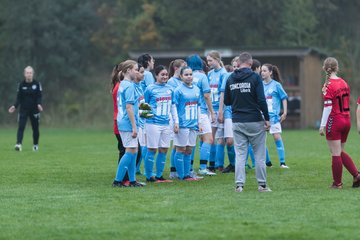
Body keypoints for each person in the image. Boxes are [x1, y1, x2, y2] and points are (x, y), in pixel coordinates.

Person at [224, 52, 271, 193]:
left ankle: (239, 185)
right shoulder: (255, 77)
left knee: (240, 155)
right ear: (250, 64)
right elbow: (262, 100)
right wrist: (267, 118)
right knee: (259, 155)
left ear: (238, 63)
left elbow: (227, 101)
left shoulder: (230, 78)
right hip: (254, 120)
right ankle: (262, 185)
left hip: (237, 121)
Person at [319, 57, 360, 189]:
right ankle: (356, 175)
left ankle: (337, 184)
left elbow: (328, 107)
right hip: (346, 120)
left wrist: (322, 125)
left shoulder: (328, 85)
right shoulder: (344, 83)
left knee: (335, 153)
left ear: (324, 69)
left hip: (335, 120)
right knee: (340, 151)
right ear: (337, 68)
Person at [112, 60, 144, 187]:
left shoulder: (123, 84)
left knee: (134, 151)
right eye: (136, 69)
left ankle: (132, 180)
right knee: (130, 151)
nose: (137, 72)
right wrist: (134, 127)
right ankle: (117, 180)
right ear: (128, 70)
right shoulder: (129, 86)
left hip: (123, 121)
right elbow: (129, 108)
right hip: (127, 123)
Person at [144, 65, 175, 183]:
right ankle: (149, 176)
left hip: (166, 124)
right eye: (162, 74)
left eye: (166, 74)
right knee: (152, 149)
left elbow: (172, 107)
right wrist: (145, 123)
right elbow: (144, 106)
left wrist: (174, 121)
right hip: (153, 124)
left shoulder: (170, 89)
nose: (165, 77)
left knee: (164, 149)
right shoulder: (150, 89)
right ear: (156, 75)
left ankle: (159, 176)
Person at [186, 54, 216, 176]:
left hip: (190, 113)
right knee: (208, 139)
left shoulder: (186, 76)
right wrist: (212, 112)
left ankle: (190, 168)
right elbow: (207, 95)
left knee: (192, 141)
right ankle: (203, 167)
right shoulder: (203, 76)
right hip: (202, 112)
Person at [173, 66, 202, 180]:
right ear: (181, 76)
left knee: (189, 149)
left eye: (190, 74)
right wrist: (176, 121)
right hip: (183, 124)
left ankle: (187, 174)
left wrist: (199, 122)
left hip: (193, 124)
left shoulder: (196, 89)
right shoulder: (178, 90)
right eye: (186, 74)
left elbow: (198, 106)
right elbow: (174, 106)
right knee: (180, 149)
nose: (189, 77)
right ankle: (181, 175)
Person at [8, 66, 43, 152]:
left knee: (35, 128)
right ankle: (18, 144)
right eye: (27, 73)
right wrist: (14, 106)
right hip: (23, 110)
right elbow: (19, 98)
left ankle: (35, 145)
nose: (29, 75)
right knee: (21, 127)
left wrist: (39, 104)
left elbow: (39, 96)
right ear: (24, 74)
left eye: (30, 73)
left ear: (33, 74)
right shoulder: (20, 85)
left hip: (34, 110)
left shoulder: (37, 84)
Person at [261, 64, 289, 168]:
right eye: (261, 71)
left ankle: (282, 162)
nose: (262, 73)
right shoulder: (259, 85)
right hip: (262, 118)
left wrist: (284, 112)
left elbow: (284, 98)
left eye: (264, 71)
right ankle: (268, 163)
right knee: (261, 141)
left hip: (274, 117)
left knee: (277, 137)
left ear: (270, 72)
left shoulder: (276, 85)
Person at [206, 51, 228, 172]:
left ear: (217, 60)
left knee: (220, 137)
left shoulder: (224, 74)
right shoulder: (209, 74)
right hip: (211, 109)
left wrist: (221, 111)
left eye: (210, 60)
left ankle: (218, 164)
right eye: (207, 60)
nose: (208, 63)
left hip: (219, 109)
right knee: (211, 137)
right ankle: (212, 164)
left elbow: (223, 94)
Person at [167, 59, 187, 179]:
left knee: (178, 144)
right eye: (183, 67)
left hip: (183, 116)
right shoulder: (171, 82)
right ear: (176, 68)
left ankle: (176, 171)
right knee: (176, 144)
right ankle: (173, 170)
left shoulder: (182, 81)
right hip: (175, 117)